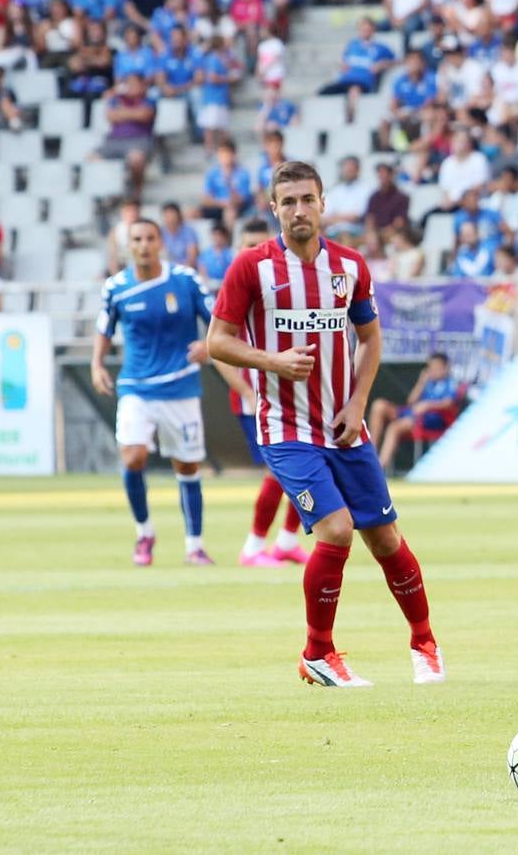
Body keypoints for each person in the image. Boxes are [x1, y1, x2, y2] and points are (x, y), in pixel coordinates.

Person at [208, 161, 445, 687]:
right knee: (336, 529)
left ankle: (425, 644)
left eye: (307, 199)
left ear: (323, 204)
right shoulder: (251, 267)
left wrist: (358, 404)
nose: (299, 210)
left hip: (344, 426)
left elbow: (370, 338)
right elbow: (217, 341)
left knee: (385, 539)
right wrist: (272, 362)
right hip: (286, 427)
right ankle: (318, 653)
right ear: (274, 208)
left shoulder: (350, 266)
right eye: (288, 201)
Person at [91, 219, 215, 567]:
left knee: (187, 465)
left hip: (180, 385)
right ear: (128, 245)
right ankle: (144, 533)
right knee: (132, 457)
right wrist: (97, 365)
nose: (143, 245)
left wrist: (209, 345)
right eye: (137, 239)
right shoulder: (117, 287)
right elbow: (104, 329)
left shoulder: (186, 280)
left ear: (161, 243)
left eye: (149, 238)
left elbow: (219, 319)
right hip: (136, 387)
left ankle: (194, 545)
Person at [209, 219, 313, 568]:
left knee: (307, 465)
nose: (255, 251)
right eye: (248, 245)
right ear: (238, 249)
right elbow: (217, 350)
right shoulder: (236, 288)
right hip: (255, 400)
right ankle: (254, 546)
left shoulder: (280, 285)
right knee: (282, 471)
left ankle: (286, 540)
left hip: (288, 395)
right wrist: (245, 391)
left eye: (260, 244)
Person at [368, 352, 460, 472]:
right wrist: (421, 382)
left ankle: (378, 468)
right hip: (412, 414)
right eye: (431, 367)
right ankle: (371, 453)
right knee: (379, 405)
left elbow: (449, 403)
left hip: (430, 420)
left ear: (445, 368)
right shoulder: (427, 382)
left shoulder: (450, 383)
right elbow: (411, 401)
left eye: (436, 367)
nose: (433, 370)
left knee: (394, 427)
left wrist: (428, 405)